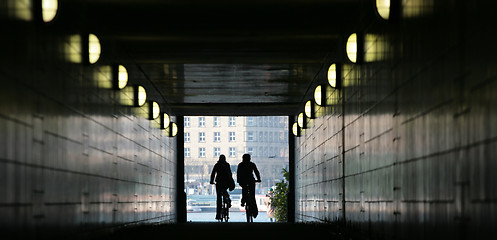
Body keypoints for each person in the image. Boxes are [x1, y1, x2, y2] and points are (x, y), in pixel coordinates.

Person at [210, 154, 235, 220]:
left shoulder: (217, 165)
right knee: (225, 191)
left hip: (219, 183)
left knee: (219, 198)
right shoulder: (227, 165)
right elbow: (230, 173)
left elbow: (213, 173)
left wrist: (211, 181)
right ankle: (228, 199)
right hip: (226, 182)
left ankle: (218, 215)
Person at [236, 153, 261, 218]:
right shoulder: (252, 164)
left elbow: (238, 174)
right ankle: (254, 212)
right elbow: (256, 172)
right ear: (249, 158)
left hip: (243, 181)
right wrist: (258, 179)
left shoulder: (240, 165)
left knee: (244, 190)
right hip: (251, 181)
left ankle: (243, 201)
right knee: (252, 195)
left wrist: (239, 181)